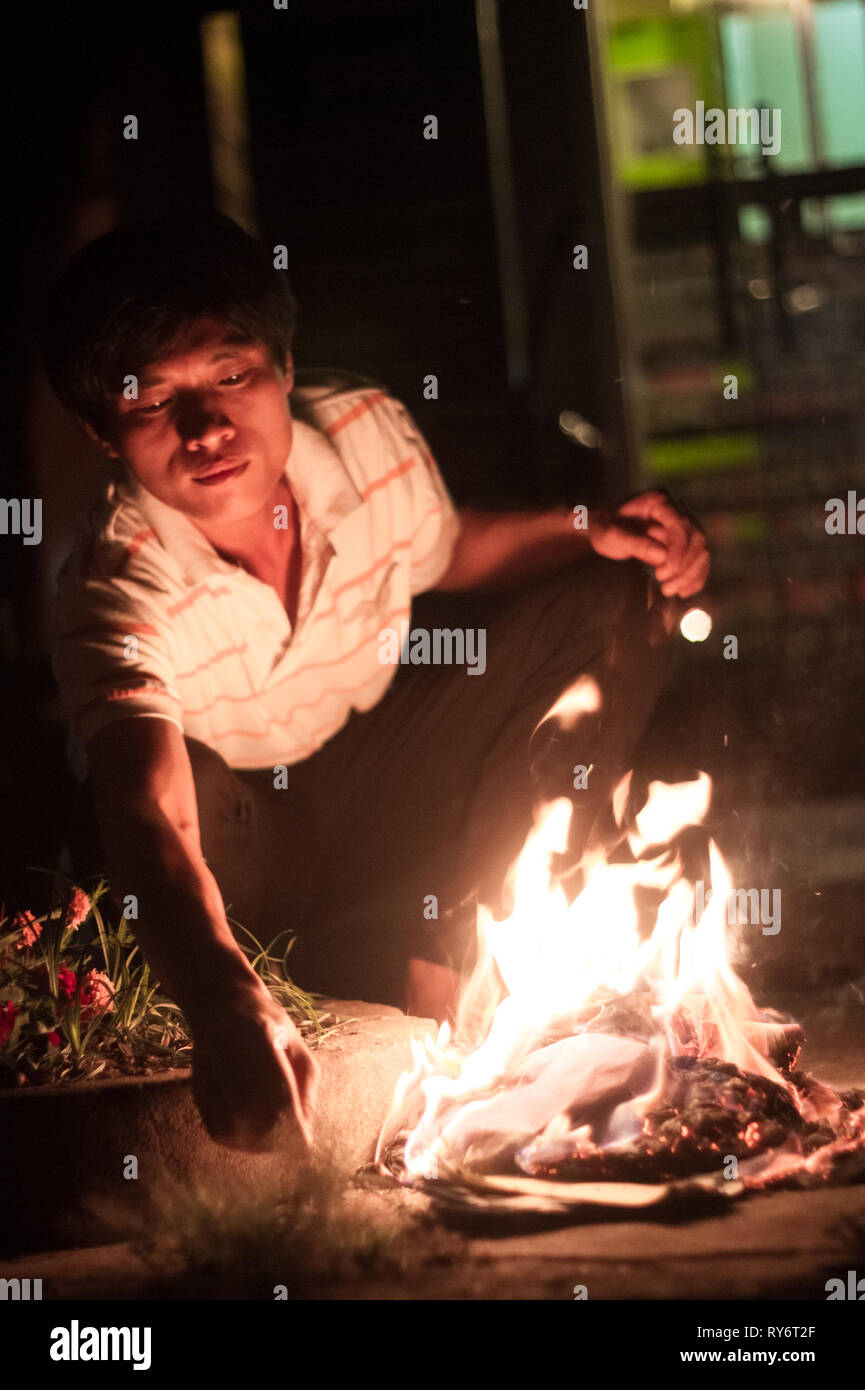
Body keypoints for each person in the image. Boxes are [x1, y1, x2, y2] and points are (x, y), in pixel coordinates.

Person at [39, 211, 709, 1154]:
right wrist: (228, 1007)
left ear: (280, 364)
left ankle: (462, 942)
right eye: (151, 401)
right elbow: (153, 812)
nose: (207, 428)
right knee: (175, 776)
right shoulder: (112, 581)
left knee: (617, 595)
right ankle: (272, 988)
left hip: (379, 792)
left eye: (233, 375)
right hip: (238, 856)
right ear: (102, 432)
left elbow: (445, 550)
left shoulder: (358, 428)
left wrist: (588, 526)